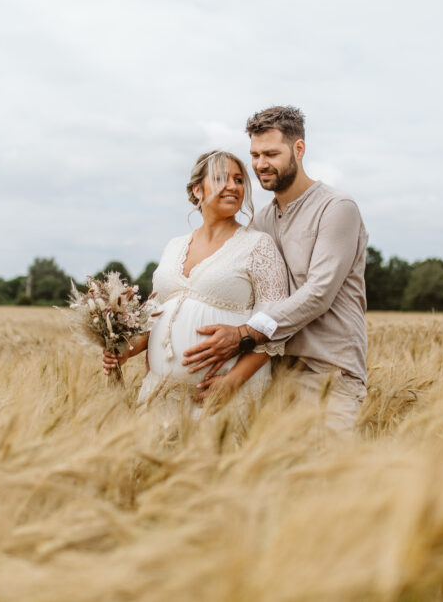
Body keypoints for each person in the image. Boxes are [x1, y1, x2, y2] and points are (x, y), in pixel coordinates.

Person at [181, 106, 369, 432]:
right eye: (255, 155)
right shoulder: (262, 221)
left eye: (271, 153)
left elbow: (318, 293)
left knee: (332, 475)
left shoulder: (336, 208)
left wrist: (243, 334)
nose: (260, 165)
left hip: (329, 371)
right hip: (273, 371)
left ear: (299, 149)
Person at [102, 150, 288, 424]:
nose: (233, 186)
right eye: (221, 178)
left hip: (224, 397)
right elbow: (155, 316)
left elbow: (273, 325)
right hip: (160, 396)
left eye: (238, 180)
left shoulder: (258, 245)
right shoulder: (174, 246)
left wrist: (231, 383)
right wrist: (124, 350)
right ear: (196, 189)